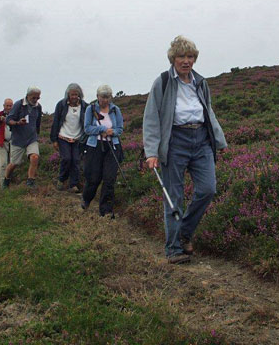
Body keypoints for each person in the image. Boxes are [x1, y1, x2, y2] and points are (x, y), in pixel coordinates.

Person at [143, 35, 227, 265]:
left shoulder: (201, 82)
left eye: (190, 56)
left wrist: (219, 140)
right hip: (175, 141)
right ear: (173, 58)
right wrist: (151, 151)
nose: (186, 60)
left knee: (208, 189)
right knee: (174, 197)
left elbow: (208, 112)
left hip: (201, 140)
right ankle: (173, 248)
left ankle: (184, 231)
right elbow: (151, 118)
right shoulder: (162, 82)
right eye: (181, 56)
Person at [81, 85, 124, 217]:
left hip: (112, 146)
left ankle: (106, 210)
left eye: (107, 97)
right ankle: (86, 199)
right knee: (94, 177)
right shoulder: (91, 109)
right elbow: (87, 128)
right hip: (95, 146)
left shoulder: (116, 110)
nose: (105, 100)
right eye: (103, 97)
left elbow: (120, 129)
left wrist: (112, 132)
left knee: (109, 178)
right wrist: (102, 130)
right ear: (97, 96)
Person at [50, 83, 88, 193]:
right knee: (66, 159)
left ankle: (73, 184)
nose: (74, 97)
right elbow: (56, 121)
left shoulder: (85, 106)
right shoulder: (61, 105)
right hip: (63, 136)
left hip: (78, 138)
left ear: (79, 95)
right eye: (72, 95)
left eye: (76, 94)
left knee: (76, 160)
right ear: (68, 95)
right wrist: (54, 139)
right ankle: (61, 179)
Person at [4, 87, 43, 188]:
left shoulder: (38, 107)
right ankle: (6, 179)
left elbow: (38, 122)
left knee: (35, 157)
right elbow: (8, 120)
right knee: (14, 164)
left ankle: (30, 181)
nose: (36, 100)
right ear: (28, 96)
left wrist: (37, 133)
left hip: (32, 138)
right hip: (18, 139)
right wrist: (18, 123)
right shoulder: (18, 105)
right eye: (34, 98)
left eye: (38, 98)